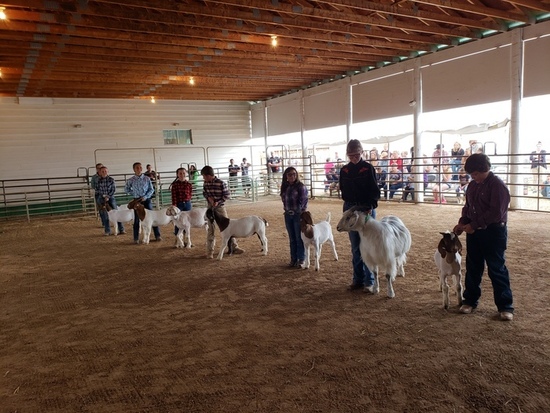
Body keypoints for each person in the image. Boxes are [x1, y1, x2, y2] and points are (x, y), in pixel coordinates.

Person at [453, 153, 514, 321]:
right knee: (473, 267)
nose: (474, 178)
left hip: (494, 232)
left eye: (476, 174)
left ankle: (505, 306)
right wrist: (462, 222)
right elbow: (468, 207)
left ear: (484, 169)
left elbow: (496, 213)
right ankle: (470, 300)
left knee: (497, 268)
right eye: (472, 175)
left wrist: (474, 224)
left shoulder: (498, 186)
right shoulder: (473, 186)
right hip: (475, 232)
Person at [339, 139, 381, 292]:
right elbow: (343, 189)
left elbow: (374, 190)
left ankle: (369, 281)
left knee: (368, 245)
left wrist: (370, 205)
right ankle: (357, 279)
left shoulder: (368, 168)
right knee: (355, 246)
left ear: (361, 153)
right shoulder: (344, 170)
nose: (354, 158)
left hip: (366, 208)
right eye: (351, 155)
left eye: (356, 155)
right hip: (351, 207)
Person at [201, 165, 244, 258]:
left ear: (208, 175)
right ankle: (209, 252)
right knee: (210, 229)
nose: (203, 178)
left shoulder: (221, 183)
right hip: (210, 208)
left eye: (204, 176)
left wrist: (217, 202)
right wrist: (208, 197)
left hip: (220, 208)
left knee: (228, 228)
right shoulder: (205, 183)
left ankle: (234, 247)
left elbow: (227, 195)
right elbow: (204, 192)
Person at [125, 162, 161, 244]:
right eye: (137, 167)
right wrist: (134, 193)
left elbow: (151, 189)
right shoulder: (131, 180)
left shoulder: (147, 179)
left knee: (152, 217)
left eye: (140, 167)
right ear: (134, 169)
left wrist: (146, 196)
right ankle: (136, 238)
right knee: (137, 219)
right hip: (137, 200)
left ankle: (157, 235)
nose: (139, 169)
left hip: (146, 199)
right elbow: (126, 189)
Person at [280, 166, 308, 267]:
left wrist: (301, 213)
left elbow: (304, 201)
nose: (292, 176)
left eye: (294, 174)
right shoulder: (285, 186)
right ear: (286, 176)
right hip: (288, 215)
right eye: (290, 174)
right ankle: (293, 259)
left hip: (297, 215)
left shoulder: (301, 186)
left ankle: (301, 259)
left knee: (298, 238)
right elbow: (284, 200)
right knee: (292, 238)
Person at [95, 165, 125, 236]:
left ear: (107, 172)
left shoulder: (111, 179)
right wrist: (103, 196)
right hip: (102, 198)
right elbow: (97, 190)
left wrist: (108, 196)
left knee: (116, 213)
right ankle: (107, 231)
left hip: (111, 197)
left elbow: (113, 190)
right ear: (100, 172)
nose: (104, 172)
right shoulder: (98, 181)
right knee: (104, 215)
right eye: (102, 171)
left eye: (105, 171)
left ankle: (121, 229)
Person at [170, 167, 193, 237]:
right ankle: (178, 239)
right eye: (180, 173)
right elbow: (174, 196)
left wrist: (187, 200)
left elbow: (190, 194)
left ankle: (187, 239)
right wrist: (174, 205)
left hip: (187, 203)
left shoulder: (189, 184)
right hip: (178, 205)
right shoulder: (175, 185)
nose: (182, 175)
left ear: (186, 174)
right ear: (177, 174)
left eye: (183, 173)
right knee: (178, 221)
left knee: (187, 221)